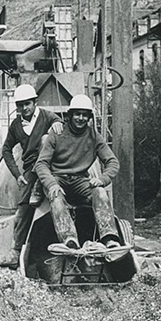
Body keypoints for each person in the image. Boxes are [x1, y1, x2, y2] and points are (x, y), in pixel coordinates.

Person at [0, 83, 64, 268]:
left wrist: (57, 124)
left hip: (52, 165)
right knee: (23, 207)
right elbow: (6, 149)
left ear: (35, 102)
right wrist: (16, 174)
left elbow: (59, 122)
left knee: (47, 139)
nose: (24, 108)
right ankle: (15, 251)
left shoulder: (46, 116)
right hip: (31, 169)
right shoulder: (16, 125)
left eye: (27, 104)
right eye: (20, 105)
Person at [35, 94, 121, 251]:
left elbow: (112, 162)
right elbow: (41, 164)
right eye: (77, 114)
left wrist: (102, 179)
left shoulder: (94, 136)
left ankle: (109, 237)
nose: (80, 118)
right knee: (55, 196)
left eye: (84, 114)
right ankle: (69, 238)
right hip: (58, 178)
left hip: (80, 180)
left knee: (100, 192)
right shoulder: (57, 133)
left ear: (89, 117)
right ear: (70, 115)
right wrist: (51, 184)